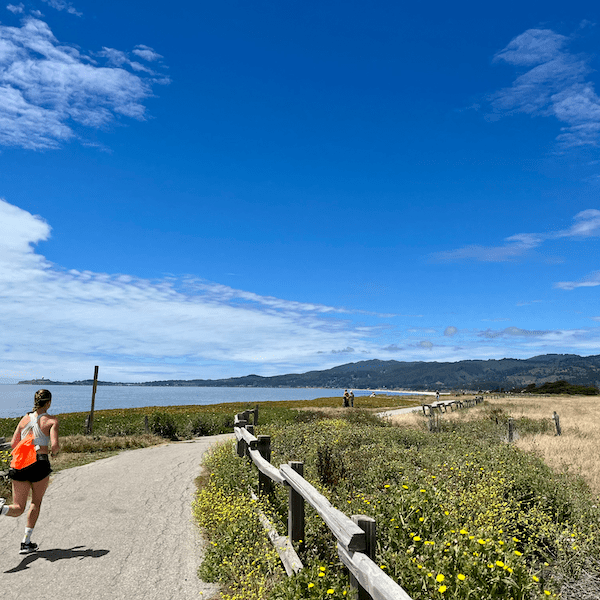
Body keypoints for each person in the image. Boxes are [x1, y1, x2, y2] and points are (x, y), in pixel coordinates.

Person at [0, 389, 60, 554]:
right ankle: (26, 542)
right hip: (39, 464)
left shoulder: (24, 419)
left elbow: (13, 444)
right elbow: (54, 446)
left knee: (18, 507)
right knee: (35, 502)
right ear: (48, 403)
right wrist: (54, 452)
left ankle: (1, 509)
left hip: (19, 465)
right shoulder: (52, 420)